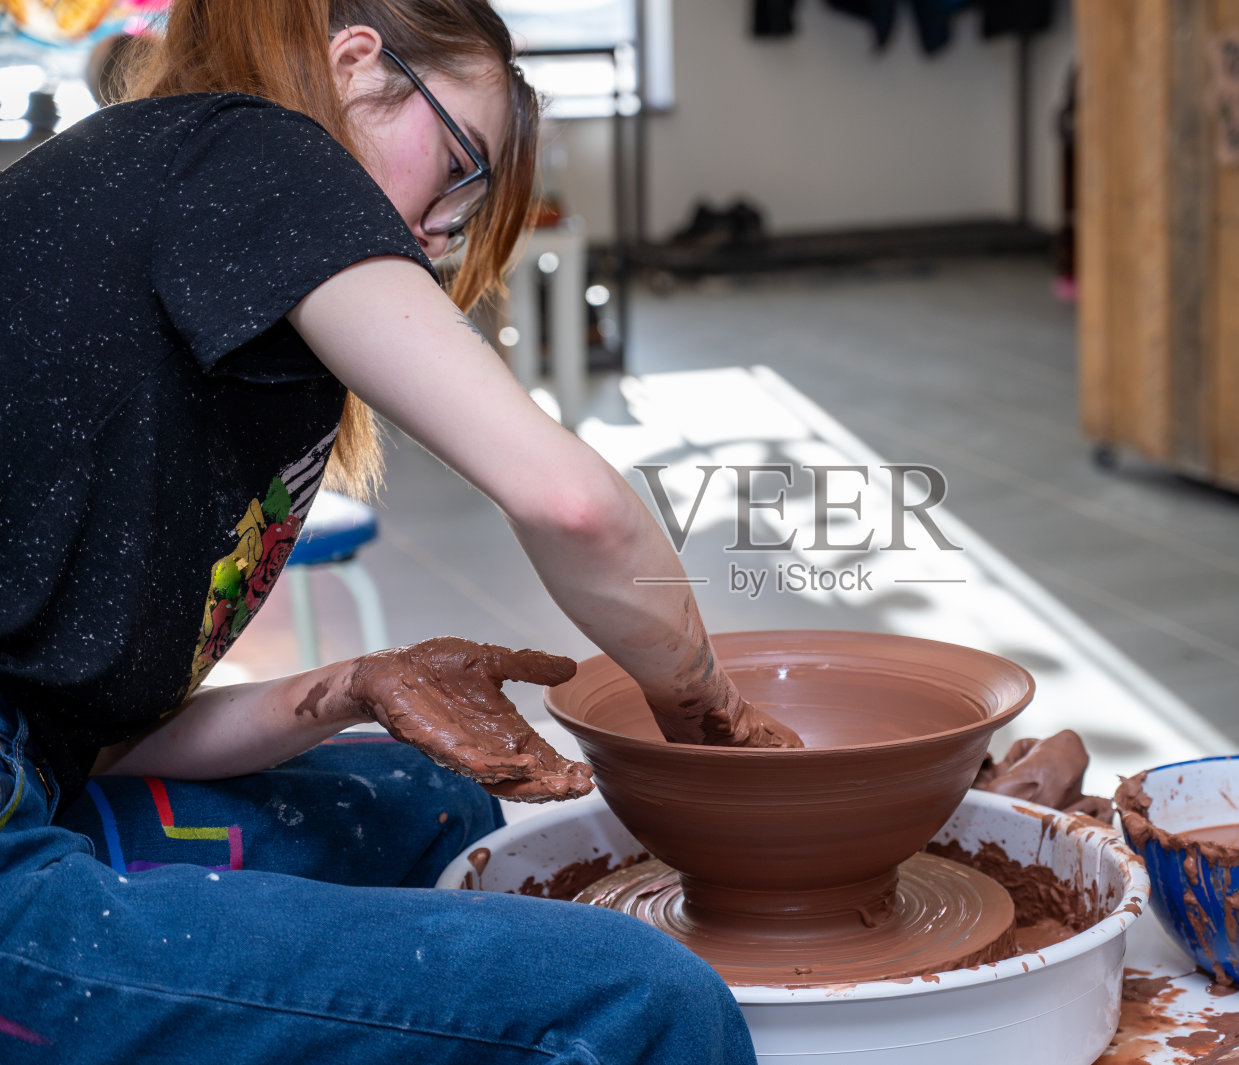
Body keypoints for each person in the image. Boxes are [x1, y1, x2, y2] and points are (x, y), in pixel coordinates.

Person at [0, 1, 794, 1060]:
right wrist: (712, 722)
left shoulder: (201, 257)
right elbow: (576, 507)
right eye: (459, 172)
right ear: (356, 67)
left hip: (39, 778)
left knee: (432, 805)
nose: (433, 236)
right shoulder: (251, 146)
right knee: (636, 999)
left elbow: (91, 733)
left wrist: (351, 688)